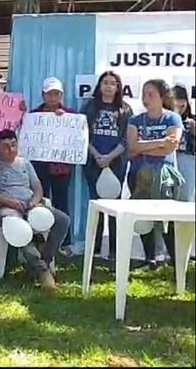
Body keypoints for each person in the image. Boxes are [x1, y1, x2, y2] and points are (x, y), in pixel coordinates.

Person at [0, 129, 70, 293]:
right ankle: (43, 273)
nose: (11, 150)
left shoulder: (25, 163)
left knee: (62, 220)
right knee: (20, 230)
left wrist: (34, 202)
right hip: (7, 208)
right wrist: (9, 202)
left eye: (14, 145)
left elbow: (37, 187)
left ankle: (45, 259)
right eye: (6, 147)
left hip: (31, 204)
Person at [127, 79, 183, 270]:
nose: (145, 98)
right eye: (143, 94)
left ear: (162, 97)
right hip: (138, 175)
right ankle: (150, 259)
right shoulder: (135, 120)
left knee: (167, 219)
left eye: (151, 94)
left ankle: (176, 262)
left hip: (165, 176)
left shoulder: (172, 119)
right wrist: (160, 142)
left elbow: (170, 147)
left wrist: (144, 147)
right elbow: (132, 146)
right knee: (143, 218)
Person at [81, 71, 132, 260]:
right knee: (96, 204)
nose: (109, 86)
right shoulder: (89, 107)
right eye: (105, 82)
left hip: (116, 163)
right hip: (93, 162)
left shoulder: (125, 110)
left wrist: (110, 157)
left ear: (118, 87)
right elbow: (81, 134)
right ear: (99, 85)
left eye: (113, 83)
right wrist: (97, 155)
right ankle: (93, 249)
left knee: (114, 206)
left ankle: (114, 250)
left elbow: (127, 138)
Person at [30, 77, 76, 253]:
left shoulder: (70, 114)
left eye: (56, 93)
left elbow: (77, 135)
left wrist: (65, 120)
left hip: (61, 167)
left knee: (61, 202)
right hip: (39, 165)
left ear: (61, 95)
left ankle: (65, 243)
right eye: (49, 93)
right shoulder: (34, 115)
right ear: (43, 95)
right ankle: (42, 239)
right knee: (41, 201)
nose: (52, 97)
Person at [173, 85, 195, 203]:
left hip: (188, 158)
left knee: (185, 196)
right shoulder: (166, 118)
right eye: (176, 101)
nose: (179, 106)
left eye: (183, 101)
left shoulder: (192, 119)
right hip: (168, 157)